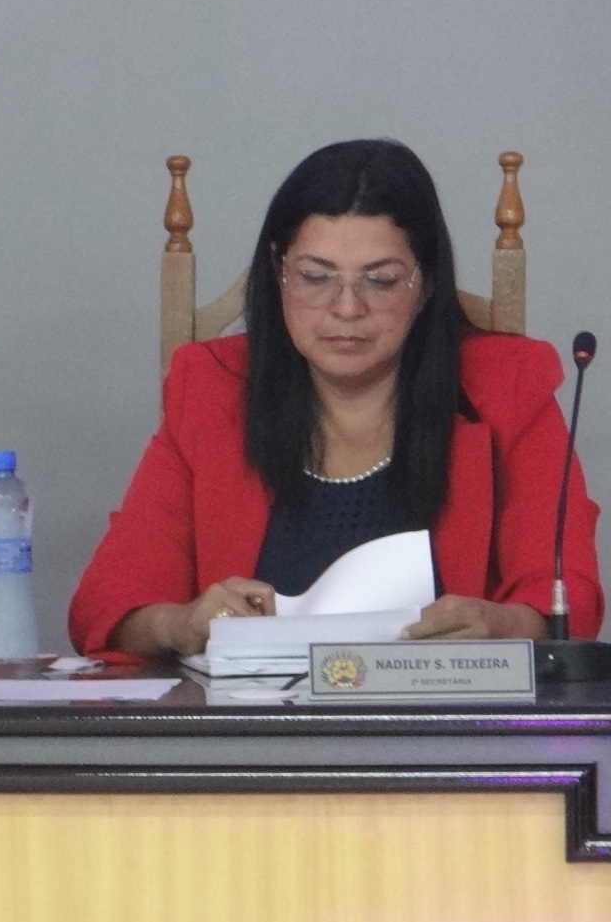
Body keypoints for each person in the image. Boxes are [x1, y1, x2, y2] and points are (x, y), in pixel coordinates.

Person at [71, 139, 602, 660]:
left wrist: (504, 625)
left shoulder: (508, 388)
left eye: (381, 281)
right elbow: (105, 602)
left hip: (444, 716)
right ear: (278, 274)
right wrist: (181, 623)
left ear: (425, 285)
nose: (346, 308)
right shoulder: (211, 388)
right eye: (315, 277)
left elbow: (567, 594)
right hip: (250, 717)